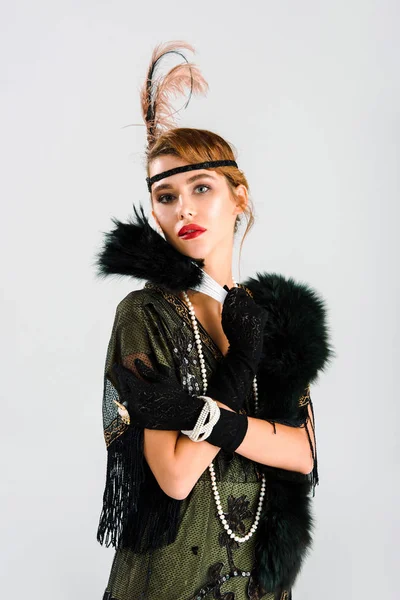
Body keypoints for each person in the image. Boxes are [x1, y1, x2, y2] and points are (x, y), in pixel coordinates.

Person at [95, 41, 334, 600]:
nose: (184, 210)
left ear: (238, 196)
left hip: (257, 579)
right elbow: (175, 477)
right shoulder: (146, 314)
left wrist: (194, 414)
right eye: (165, 195)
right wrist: (242, 362)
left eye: (201, 188)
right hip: (173, 575)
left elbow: (302, 453)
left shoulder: (267, 313)